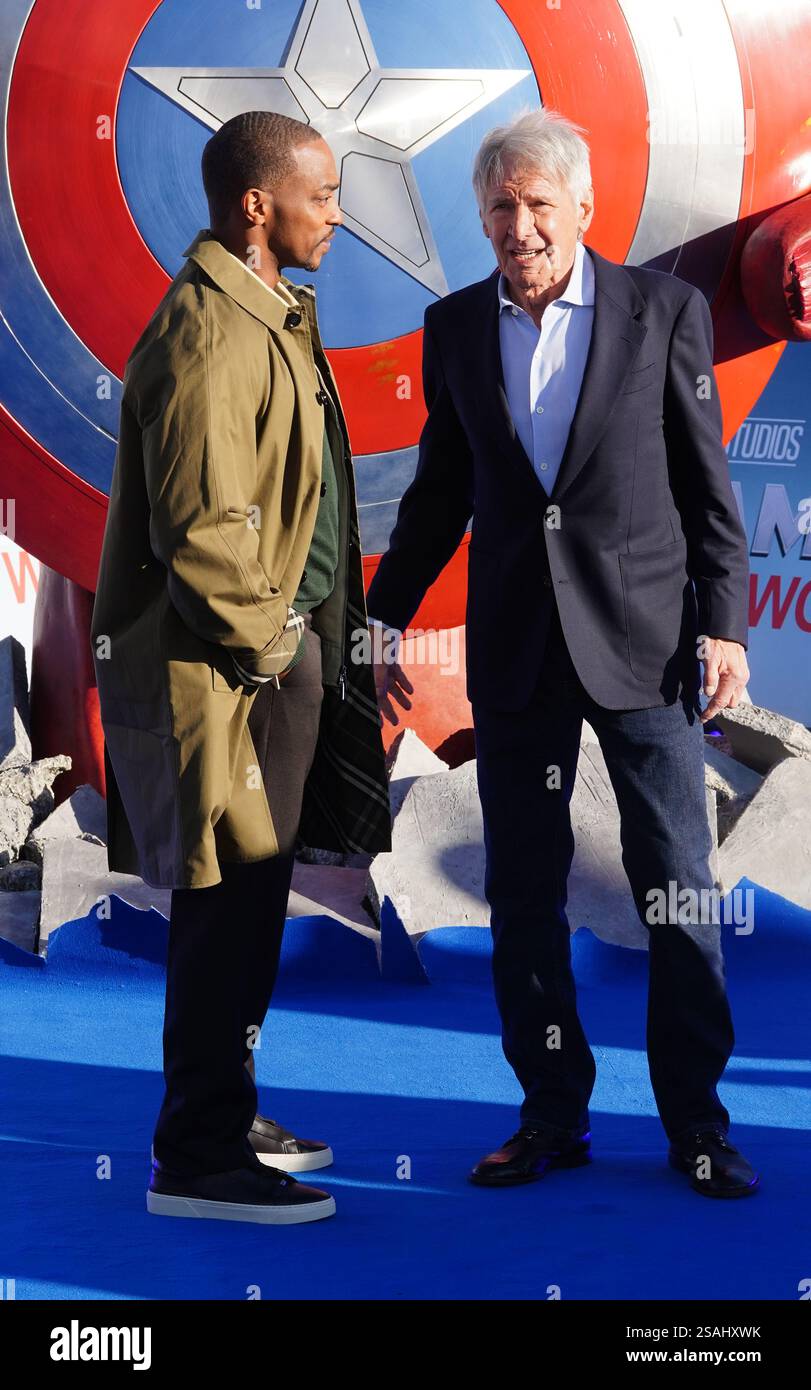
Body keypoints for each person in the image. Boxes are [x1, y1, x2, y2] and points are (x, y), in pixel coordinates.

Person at [367, 107, 760, 1198]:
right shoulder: (452, 328)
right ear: (480, 215)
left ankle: (698, 1125)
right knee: (525, 893)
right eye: (501, 204)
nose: (520, 223)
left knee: (676, 887)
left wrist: (721, 621)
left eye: (540, 203)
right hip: (519, 652)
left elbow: (703, 487)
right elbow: (440, 494)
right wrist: (382, 615)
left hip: (646, 647)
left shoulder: (662, 312)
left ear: (583, 209)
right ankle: (551, 1115)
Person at [91, 110, 391, 1225]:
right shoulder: (209, 334)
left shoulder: (267, 315)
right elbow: (202, 532)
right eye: (321, 195)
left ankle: (226, 1100)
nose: (339, 215)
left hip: (274, 662)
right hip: (236, 672)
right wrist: (276, 645)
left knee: (253, 901)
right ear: (257, 208)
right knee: (227, 905)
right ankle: (199, 1154)